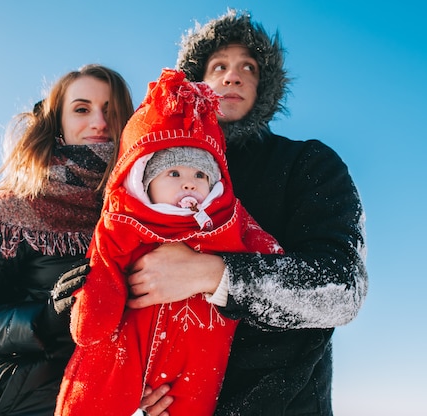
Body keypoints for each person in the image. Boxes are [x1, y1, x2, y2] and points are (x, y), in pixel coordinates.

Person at [123, 10, 369, 415]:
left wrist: (212, 274)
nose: (231, 76)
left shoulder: (309, 163)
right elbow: (124, 264)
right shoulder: (154, 173)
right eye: (218, 66)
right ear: (196, 83)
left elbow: (339, 290)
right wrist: (136, 380)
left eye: (247, 68)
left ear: (264, 86)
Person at [54, 68, 283, 416]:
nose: (189, 184)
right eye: (173, 174)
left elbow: (271, 262)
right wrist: (86, 310)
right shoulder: (122, 221)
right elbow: (101, 281)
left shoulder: (230, 218)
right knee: (95, 389)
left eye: (200, 175)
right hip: (118, 352)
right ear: (143, 179)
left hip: (198, 360)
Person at [0, 64, 134, 416]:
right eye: (82, 109)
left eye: (112, 112)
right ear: (58, 122)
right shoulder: (14, 207)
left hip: (96, 402)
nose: (99, 122)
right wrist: (41, 321)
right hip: (2, 403)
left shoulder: (138, 212)